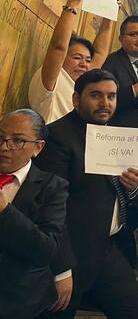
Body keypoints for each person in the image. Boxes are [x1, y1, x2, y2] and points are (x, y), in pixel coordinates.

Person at [35, 69, 138, 319]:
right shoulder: (57, 137)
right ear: (76, 99)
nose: (105, 103)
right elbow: (50, 209)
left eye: (111, 96)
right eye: (96, 95)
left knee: (134, 309)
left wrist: (132, 187)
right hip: (70, 250)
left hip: (105, 247)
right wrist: (61, 268)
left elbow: (114, 191)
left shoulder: (117, 135)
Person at [0, 109, 70, 318]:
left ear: (38, 148)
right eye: (1, 137)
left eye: (17, 141)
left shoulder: (52, 187)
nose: (4, 147)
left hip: (15, 297)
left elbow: (46, 250)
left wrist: (5, 211)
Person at [28, 0, 115, 124]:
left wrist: (109, 15)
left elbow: (100, 53)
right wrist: (72, 2)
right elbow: (58, 46)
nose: (84, 64)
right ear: (63, 58)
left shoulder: (81, 82)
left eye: (88, 60)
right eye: (77, 57)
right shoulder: (53, 79)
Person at [101, 16, 138, 128]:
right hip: (121, 134)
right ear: (121, 39)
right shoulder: (112, 62)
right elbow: (103, 99)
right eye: (134, 34)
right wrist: (133, 91)